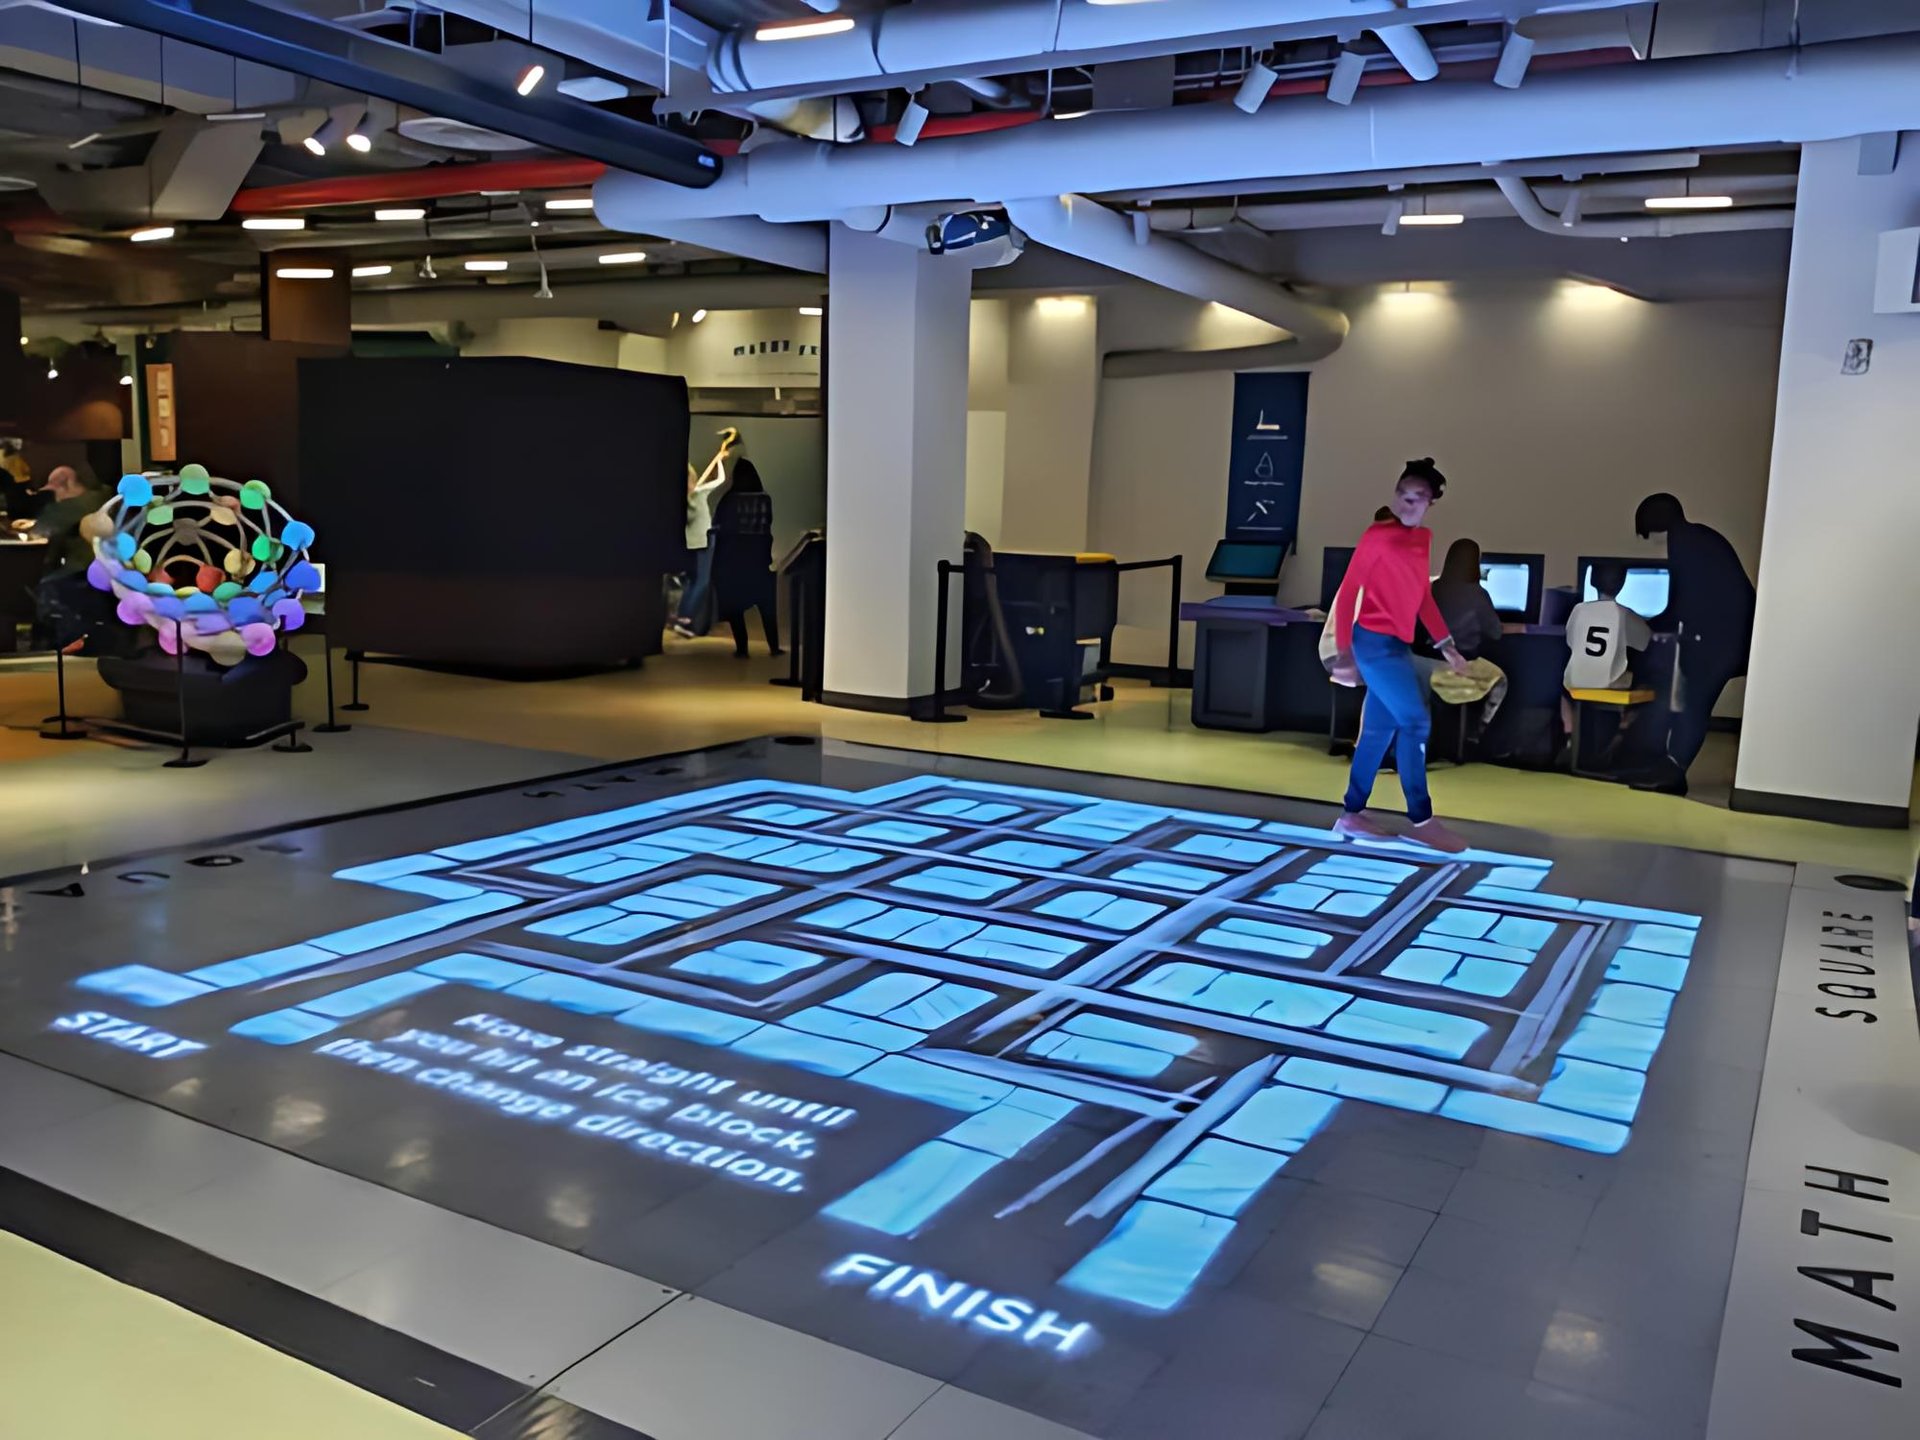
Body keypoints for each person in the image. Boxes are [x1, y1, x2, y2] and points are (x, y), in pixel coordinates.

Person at [1327, 459, 1472, 851]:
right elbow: (1349, 591)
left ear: (1431, 503)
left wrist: (1447, 646)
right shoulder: (1377, 536)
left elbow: (1421, 596)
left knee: (1378, 731)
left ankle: (1351, 814)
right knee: (1415, 722)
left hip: (1395, 645)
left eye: (1417, 497)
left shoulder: (1422, 540)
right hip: (1373, 644)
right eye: (1402, 495)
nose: (1408, 503)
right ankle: (1422, 819)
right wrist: (1344, 652)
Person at [1627, 493, 1756, 796]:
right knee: (1691, 702)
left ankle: (1674, 771)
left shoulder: (1685, 542)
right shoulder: (1699, 537)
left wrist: (1646, 626)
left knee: (1692, 704)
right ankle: (1670, 766)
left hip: (1719, 642)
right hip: (1730, 638)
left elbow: (1683, 601)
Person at [1561, 559, 1652, 763]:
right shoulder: (1624, 614)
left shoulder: (1579, 610)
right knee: (1648, 683)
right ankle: (1622, 729)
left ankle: (1570, 734)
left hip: (1576, 679)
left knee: (1563, 689)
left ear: (1592, 581)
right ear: (1622, 583)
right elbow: (1645, 642)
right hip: (1609, 681)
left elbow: (1570, 640)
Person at [708, 458, 782, 658]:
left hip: (734, 562)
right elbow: (768, 525)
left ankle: (742, 648)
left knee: (735, 608)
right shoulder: (765, 499)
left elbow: (718, 528)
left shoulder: (729, 500)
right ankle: (774, 647)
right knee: (767, 607)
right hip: (759, 561)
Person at [1430, 539, 1502, 661]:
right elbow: (1495, 633)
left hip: (1434, 653)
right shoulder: (1477, 593)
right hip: (1465, 657)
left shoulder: (1434, 587)